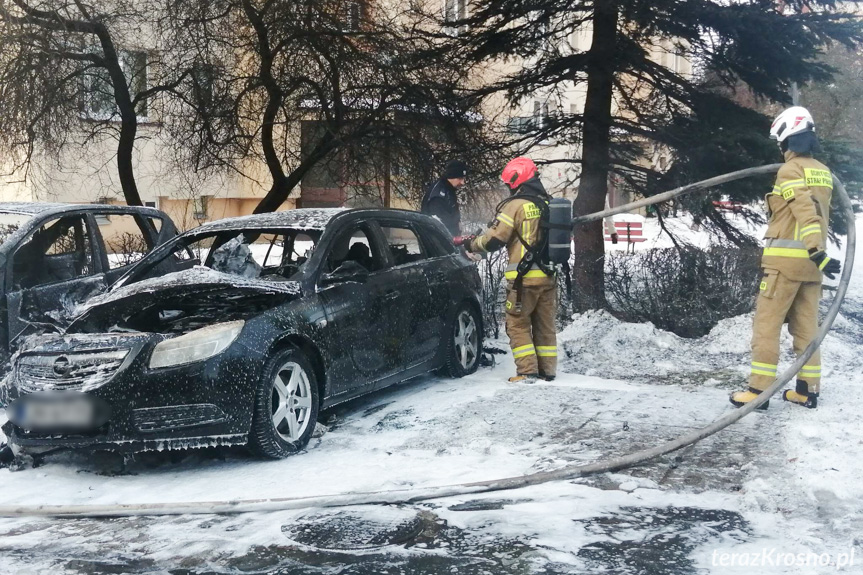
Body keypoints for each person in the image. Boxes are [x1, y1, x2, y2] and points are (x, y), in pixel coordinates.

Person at [730, 106, 840, 410]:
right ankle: (807, 391)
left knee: (766, 327)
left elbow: (806, 211)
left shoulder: (790, 171)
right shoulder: (821, 170)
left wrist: (816, 250)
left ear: (787, 138)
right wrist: (817, 256)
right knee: (807, 330)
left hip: (785, 266)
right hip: (810, 269)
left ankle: (758, 392)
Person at [457, 157, 557, 383]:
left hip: (523, 281)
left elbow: (495, 239)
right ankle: (548, 371)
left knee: (517, 324)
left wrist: (471, 244)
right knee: (545, 327)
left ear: (516, 180)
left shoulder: (515, 205)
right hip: (548, 278)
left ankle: (527, 372)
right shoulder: (548, 204)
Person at [421, 160, 468, 236]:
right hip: (437, 243)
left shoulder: (448, 190)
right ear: (451, 176)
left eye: (463, 179)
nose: (462, 182)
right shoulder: (438, 195)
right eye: (460, 178)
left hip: (446, 240)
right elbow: (440, 224)